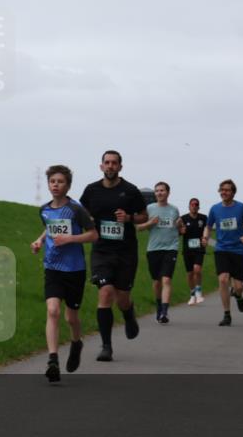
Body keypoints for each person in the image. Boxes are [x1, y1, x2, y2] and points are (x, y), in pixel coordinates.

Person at [78, 150, 148, 361]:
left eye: (114, 163)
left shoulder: (130, 191)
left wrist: (128, 217)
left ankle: (129, 314)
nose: (110, 166)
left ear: (120, 167)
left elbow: (144, 215)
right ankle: (106, 346)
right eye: (106, 163)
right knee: (106, 292)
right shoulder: (92, 190)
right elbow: (82, 212)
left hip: (126, 251)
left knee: (122, 297)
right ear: (101, 166)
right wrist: (87, 220)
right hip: (101, 250)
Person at [31, 166, 98, 382]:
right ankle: (53, 360)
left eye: (60, 181)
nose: (55, 185)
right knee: (52, 311)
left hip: (74, 269)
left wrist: (70, 239)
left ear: (68, 185)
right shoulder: (44, 210)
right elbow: (50, 227)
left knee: (71, 317)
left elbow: (93, 235)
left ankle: (76, 343)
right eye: (52, 181)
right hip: (52, 267)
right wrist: (40, 240)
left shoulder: (76, 209)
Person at [203, 179, 243, 327]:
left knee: (239, 286)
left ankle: (238, 296)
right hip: (222, 249)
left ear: (233, 192)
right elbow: (208, 226)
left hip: (239, 250)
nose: (223, 192)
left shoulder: (241, 207)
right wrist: (205, 236)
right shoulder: (214, 209)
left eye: (227, 190)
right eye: (221, 190)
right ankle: (227, 314)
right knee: (223, 279)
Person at [137, 181, 180, 324]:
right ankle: (158, 304)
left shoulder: (174, 210)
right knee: (156, 282)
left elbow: (178, 230)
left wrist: (180, 226)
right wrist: (149, 223)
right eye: (157, 191)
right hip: (154, 249)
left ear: (168, 192)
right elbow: (139, 228)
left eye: (162, 190)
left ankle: (164, 312)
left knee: (166, 279)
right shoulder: (149, 209)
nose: (159, 193)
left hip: (171, 248)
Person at [179, 197, 208, 304]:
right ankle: (192, 294)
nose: (194, 206)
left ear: (199, 207)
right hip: (187, 248)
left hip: (199, 247)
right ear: (189, 206)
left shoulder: (203, 218)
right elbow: (177, 232)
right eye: (192, 204)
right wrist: (181, 231)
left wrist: (205, 239)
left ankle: (199, 292)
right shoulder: (183, 218)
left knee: (197, 269)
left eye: (196, 204)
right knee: (190, 273)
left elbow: (207, 229)